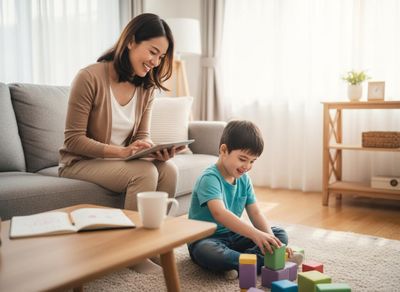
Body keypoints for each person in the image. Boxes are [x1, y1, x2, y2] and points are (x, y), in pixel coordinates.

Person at [59, 13, 183, 273]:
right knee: (143, 172)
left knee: (168, 169)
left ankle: (155, 245)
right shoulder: (89, 77)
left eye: (161, 56)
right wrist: (123, 152)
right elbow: (73, 140)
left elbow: (140, 135)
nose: (155, 61)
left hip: (118, 160)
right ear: (130, 41)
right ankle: (132, 252)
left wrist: (149, 148)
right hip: (80, 162)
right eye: (153, 51)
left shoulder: (147, 87)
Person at [188, 120, 303, 280]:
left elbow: (255, 213)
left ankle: (239, 264)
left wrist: (272, 242)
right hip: (207, 239)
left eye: (252, 161)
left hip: (234, 235)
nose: (247, 166)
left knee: (278, 233)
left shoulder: (244, 179)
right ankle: (252, 262)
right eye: (243, 159)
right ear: (224, 150)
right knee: (207, 252)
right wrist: (256, 235)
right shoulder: (209, 178)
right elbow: (219, 213)